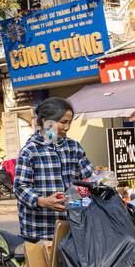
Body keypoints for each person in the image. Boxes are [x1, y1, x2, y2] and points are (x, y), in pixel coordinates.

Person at [14, 98, 95, 243]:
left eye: (70, 122)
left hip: (72, 226)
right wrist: (43, 201)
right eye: (63, 122)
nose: (67, 127)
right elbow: (20, 188)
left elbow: (89, 178)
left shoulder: (74, 147)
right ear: (46, 122)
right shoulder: (30, 151)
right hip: (39, 231)